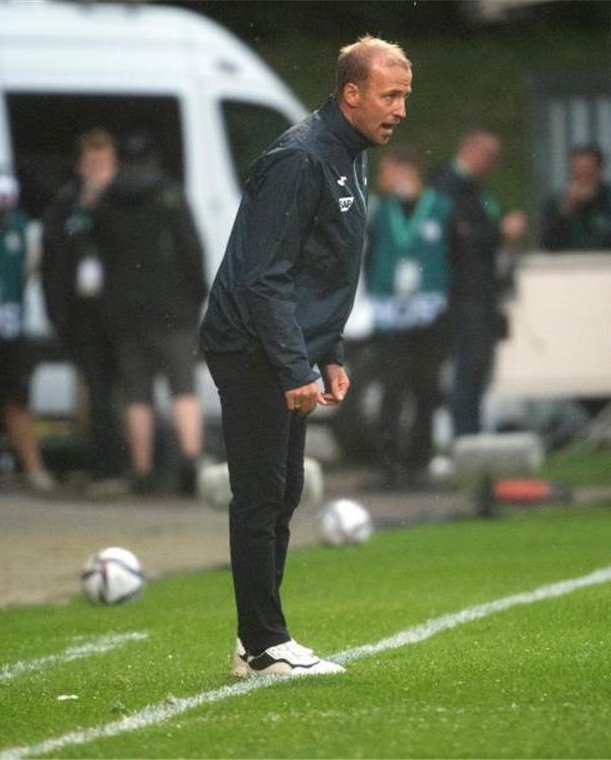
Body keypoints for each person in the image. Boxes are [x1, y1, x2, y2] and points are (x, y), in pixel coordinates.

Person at [199, 35, 412, 676]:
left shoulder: (348, 152)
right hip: (250, 344)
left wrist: (330, 350)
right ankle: (264, 643)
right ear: (351, 93)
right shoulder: (300, 158)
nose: (401, 109)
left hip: (285, 341)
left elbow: (321, 269)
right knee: (262, 494)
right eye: (390, 95)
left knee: (284, 490)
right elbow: (266, 276)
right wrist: (295, 365)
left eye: (405, 95)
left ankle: (254, 639)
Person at [93, 132, 208, 495]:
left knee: (137, 395)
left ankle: (141, 471)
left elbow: (101, 251)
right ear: (154, 159)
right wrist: (197, 294)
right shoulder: (168, 194)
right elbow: (191, 248)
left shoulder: (108, 198)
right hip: (172, 308)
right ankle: (190, 463)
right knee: (183, 389)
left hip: (127, 312)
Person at [363, 146, 453, 489]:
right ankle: (388, 465)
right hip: (391, 312)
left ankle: (420, 462)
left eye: (389, 172)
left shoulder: (440, 209)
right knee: (391, 390)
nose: (384, 180)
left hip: (430, 312)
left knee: (427, 389)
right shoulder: (380, 212)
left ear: (407, 171)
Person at [41, 128, 125, 489]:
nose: (98, 170)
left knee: (125, 391)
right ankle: (100, 464)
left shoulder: (125, 201)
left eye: (104, 162)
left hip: (120, 313)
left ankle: (126, 464)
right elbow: (52, 259)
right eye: (91, 162)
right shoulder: (65, 205)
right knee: (94, 390)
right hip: (83, 313)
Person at [434, 129, 528, 438]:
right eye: (489, 156)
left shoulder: (476, 189)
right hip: (465, 292)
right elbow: (461, 239)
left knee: (480, 367)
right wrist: (501, 232)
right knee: (468, 365)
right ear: (470, 149)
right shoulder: (448, 186)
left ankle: (472, 430)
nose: (494, 164)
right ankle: (464, 434)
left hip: (484, 290)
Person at [0, 169, 57, 492]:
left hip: (12, 327)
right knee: (8, 399)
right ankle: (27, 466)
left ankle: (31, 466)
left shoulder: (19, 227)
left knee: (16, 398)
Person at [540, 144, 611, 251]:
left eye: (588, 171)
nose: (583, 177)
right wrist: (564, 212)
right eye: (578, 171)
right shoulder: (556, 202)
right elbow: (547, 244)